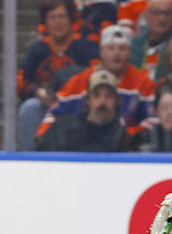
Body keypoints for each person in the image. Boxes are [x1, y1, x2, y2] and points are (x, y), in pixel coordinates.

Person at [36, 24, 154, 144]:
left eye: (122, 48)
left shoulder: (143, 82)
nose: (116, 54)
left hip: (126, 149)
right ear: (101, 51)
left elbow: (152, 119)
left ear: (129, 52)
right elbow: (54, 113)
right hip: (84, 145)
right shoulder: (80, 80)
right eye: (111, 48)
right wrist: (43, 136)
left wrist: (129, 135)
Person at [17, 0, 99, 150]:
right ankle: (29, 159)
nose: (57, 22)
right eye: (52, 17)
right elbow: (21, 80)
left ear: (71, 19)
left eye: (62, 16)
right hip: (48, 103)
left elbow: (96, 77)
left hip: (79, 105)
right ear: (45, 22)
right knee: (29, 108)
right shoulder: (38, 49)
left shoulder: (86, 46)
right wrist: (38, 92)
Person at [35, 67, 131, 151]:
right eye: (97, 95)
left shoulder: (122, 137)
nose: (102, 101)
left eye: (108, 96)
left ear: (117, 101)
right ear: (87, 100)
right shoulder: (62, 129)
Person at [129, 0, 172, 78]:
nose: (162, 19)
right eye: (156, 13)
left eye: (166, 13)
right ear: (146, 16)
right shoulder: (135, 46)